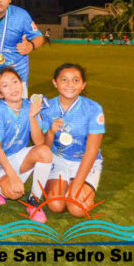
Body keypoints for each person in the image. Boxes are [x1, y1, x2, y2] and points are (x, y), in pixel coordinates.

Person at [41, 64, 105, 218]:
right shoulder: (47, 108)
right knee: (56, 206)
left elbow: (92, 150)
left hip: (85, 161)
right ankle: (64, 186)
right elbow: (43, 149)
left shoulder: (94, 109)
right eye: (64, 80)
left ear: (83, 85)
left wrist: (77, 184)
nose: (70, 84)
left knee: (77, 209)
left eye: (76, 80)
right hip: (58, 160)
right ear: (55, 83)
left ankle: (72, 185)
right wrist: (50, 133)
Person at [0, 67, 52, 222]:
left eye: (15, 82)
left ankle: (34, 201)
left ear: (21, 83)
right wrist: (12, 175)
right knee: (14, 193)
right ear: (0, 94)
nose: (12, 88)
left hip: (19, 156)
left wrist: (32, 116)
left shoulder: (30, 105)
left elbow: (40, 143)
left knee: (45, 152)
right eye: (5, 85)